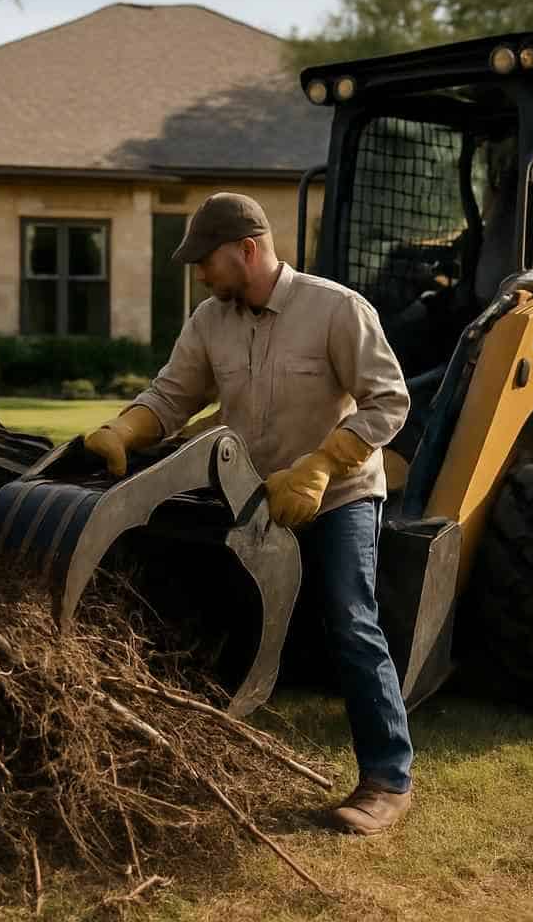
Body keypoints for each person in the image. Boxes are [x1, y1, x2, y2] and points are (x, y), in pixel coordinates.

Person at [82, 192, 415, 836]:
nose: (198, 273)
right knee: (209, 608)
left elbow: (388, 402)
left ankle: (386, 780)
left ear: (248, 250)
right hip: (252, 494)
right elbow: (174, 394)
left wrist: (321, 464)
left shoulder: (336, 309)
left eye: (205, 260)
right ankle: (210, 747)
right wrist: (125, 429)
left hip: (339, 492)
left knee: (349, 618)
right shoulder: (210, 318)